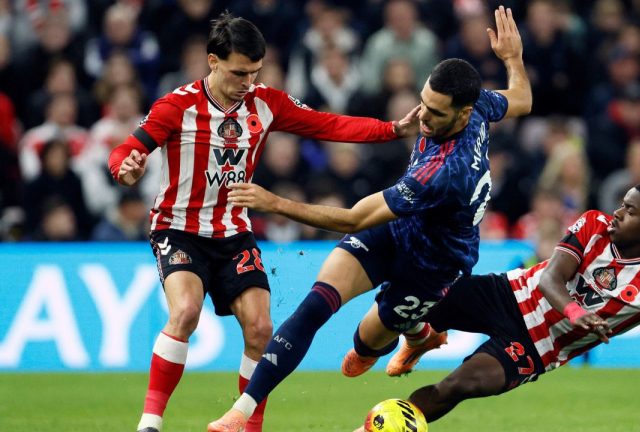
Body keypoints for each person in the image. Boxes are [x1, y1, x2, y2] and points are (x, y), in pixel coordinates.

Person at [208, 6, 532, 431]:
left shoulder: (443, 173)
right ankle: (241, 413)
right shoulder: (479, 107)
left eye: (435, 113)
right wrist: (512, 59)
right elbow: (522, 100)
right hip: (395, 233)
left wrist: (275, 202)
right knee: (313, 308)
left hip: (435, 266)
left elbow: (352, 220)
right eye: (423, 103)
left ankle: (418, 332)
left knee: (365, 345)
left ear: (463, 114)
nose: (424, 118)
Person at [108, 12, 420, 432]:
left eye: (254, 73)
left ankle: (248, 427)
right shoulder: (177, 105)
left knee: (260, 328)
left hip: (234, 232)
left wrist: (391, 129)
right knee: (185, 312)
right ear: (212, 61)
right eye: (239, 72)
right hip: (178, 228)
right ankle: (149, 423)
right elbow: (128, 151)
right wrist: (124, 168)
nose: (248, 82)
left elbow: (328, 125)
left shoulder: (265, 103)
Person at [355, 182, 640, 432]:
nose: (617, 212)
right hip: (508, 293)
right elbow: (550, 279)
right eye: (621, 204)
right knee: (413, 294)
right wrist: (577, 313)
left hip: (536, 346)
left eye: (630, 210)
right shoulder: (593, 224)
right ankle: (419, 336)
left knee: (457, 386)